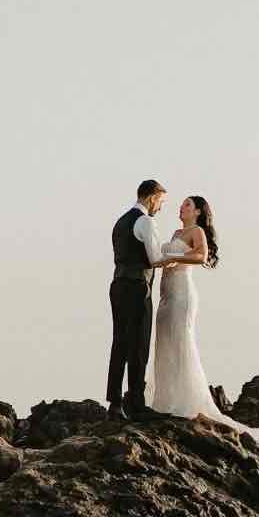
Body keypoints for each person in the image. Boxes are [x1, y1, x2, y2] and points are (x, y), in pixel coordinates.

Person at [146, 195, 259, 443]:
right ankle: (165, 400)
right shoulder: (176, 232)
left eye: (187, 204)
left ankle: (186, 401)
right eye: (181, 204)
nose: (182, 207)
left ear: (199, 211)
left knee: (181, 343)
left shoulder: (196, 231)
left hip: (182, 294)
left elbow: (201, 257)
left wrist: (173, 260)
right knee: (165, 344)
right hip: (166, 296)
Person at [107, 178, 171, 419]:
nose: (161, 207)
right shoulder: (146, 221)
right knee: (139, 344)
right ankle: (136, 401)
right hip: (137, 287)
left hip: (117, 285)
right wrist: (177, 257)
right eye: (161, 201)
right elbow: (154, 259)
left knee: (119, 343)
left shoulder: (120, 222)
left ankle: (114, 402)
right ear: (152, 197)